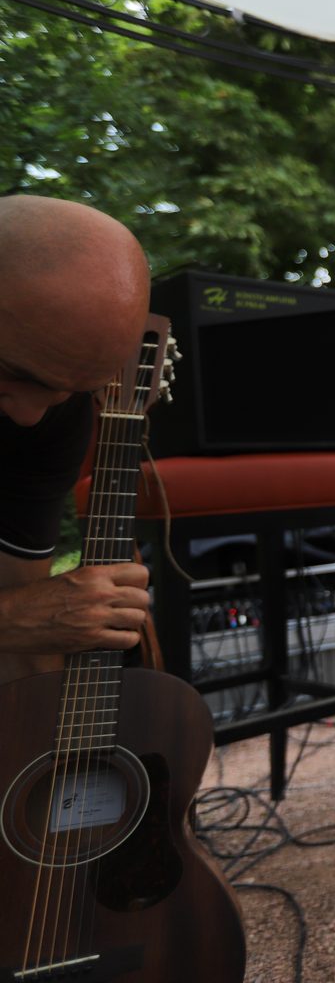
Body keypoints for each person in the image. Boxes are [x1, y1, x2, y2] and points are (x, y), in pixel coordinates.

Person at [0, 196, 153, 687]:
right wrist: (11, 618)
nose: (29, 416)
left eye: (70, 391)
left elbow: (26, 642)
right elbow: (18, 620)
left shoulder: (54, 412)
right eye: (13, 374)